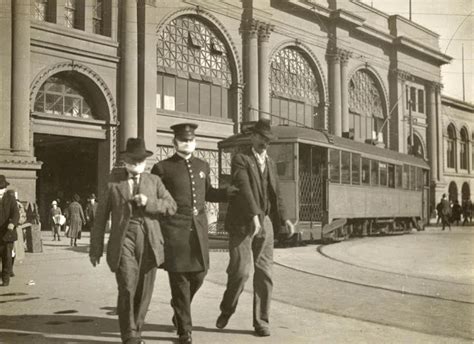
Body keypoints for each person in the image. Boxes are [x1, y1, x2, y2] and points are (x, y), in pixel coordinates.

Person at [151, 123, 237, 344]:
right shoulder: (162, 168)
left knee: (200, 274)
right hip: (175, 232)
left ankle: (179, 307)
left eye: (190, 140)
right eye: (183, 140)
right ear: (174, 142)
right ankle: (184, 331)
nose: (187, 143)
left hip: (198, 231)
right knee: (179, 281)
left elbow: (208, 193)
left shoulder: (203, 165)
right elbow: (156, 200)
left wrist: (227, 193)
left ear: (195, 141)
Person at [90, 137, 177, 344]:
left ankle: (136, 330)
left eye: (141, 160)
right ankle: (129, 335)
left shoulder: (154, 182)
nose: (137, 164)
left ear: (145, 161)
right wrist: (95, 249)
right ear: (126, 160)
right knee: (128, 286)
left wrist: (150, 203)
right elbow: (100, 218)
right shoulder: (113, 183)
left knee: (144, 290)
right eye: (133, 160)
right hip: (124, 240)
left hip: (150, 240)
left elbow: (171, 206)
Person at [216, 119, 295, 337]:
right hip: (243, 222)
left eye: (268, 140)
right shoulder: (240, 159)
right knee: (240, 272)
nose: (264, 143)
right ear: (253, 137)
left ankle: (261, 321)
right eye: (261, 138)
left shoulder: (270, 163)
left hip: (266, 221)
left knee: (265, 273)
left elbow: (276, 193)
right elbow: (243, 187)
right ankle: (227, 308)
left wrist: (285, 218)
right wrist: (253, 215)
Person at [0, 175, 20, 287]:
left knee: (7, 257)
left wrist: (12, 223)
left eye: (2, 189)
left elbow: (15, 213)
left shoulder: (10, 199)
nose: (0, 191)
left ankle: (5, 279)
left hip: (8, 233)